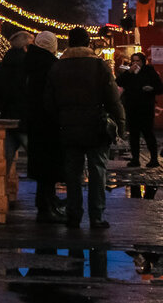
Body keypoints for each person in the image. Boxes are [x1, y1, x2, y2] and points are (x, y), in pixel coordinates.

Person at [44, 27, 125, 229]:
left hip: (68, 127)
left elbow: (49, 101)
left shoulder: (57, 67)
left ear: (69, 43)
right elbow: (113, 99)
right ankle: (96, 216)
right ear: (88, 42)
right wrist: (121, 124)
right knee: (98, 170)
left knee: (73, 173)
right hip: (96, 126)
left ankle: (74, 214)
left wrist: (59, 120)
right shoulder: (99, 66)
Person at [0, 30, 32, 206]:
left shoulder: (0, 70)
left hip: (4, 119)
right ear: (26, 46)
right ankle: (45, 200)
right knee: (36, 159)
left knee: (2, 162)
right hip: (26, 119)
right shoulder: (29, 67)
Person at [24, 31, 66, 222]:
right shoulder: (51, 66)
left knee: (41, 163)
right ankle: (45, 205)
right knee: (49, 164)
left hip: (33, 119)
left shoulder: (29, 62)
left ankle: (45, 202)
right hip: (48, 120)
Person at [117, 51, 161, 167]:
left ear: (143, 61)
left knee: (148, 133)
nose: (136, 63)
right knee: (134, 134)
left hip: (146, 106)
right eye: (134, 61)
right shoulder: (129, 72)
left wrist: (151, 89)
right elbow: (119, 82)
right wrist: (128, 72)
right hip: (132, 107)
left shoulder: (149, 71)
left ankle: (154, 159)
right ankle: (135, 158)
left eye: (138, 61)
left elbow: (159, 87)